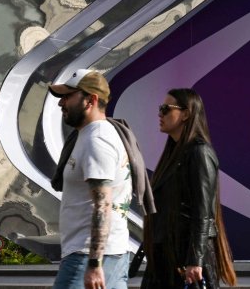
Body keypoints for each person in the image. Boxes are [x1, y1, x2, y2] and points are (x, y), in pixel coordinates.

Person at [142, 88, 237, 288]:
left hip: (185, 258)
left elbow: (203, 213)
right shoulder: (173, 154)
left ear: (186, 113)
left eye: (166, 109)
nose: (160, 114)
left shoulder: (199, 152)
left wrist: (195, 260)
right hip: (165, 256)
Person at [49, 69, 133, 289]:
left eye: (68, 96)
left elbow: (103, 205)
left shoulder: (97, 140)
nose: (61, 104)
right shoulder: (93, 135)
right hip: (107, 255)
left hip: (88, 257)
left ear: (91, 100)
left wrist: (94, 264)